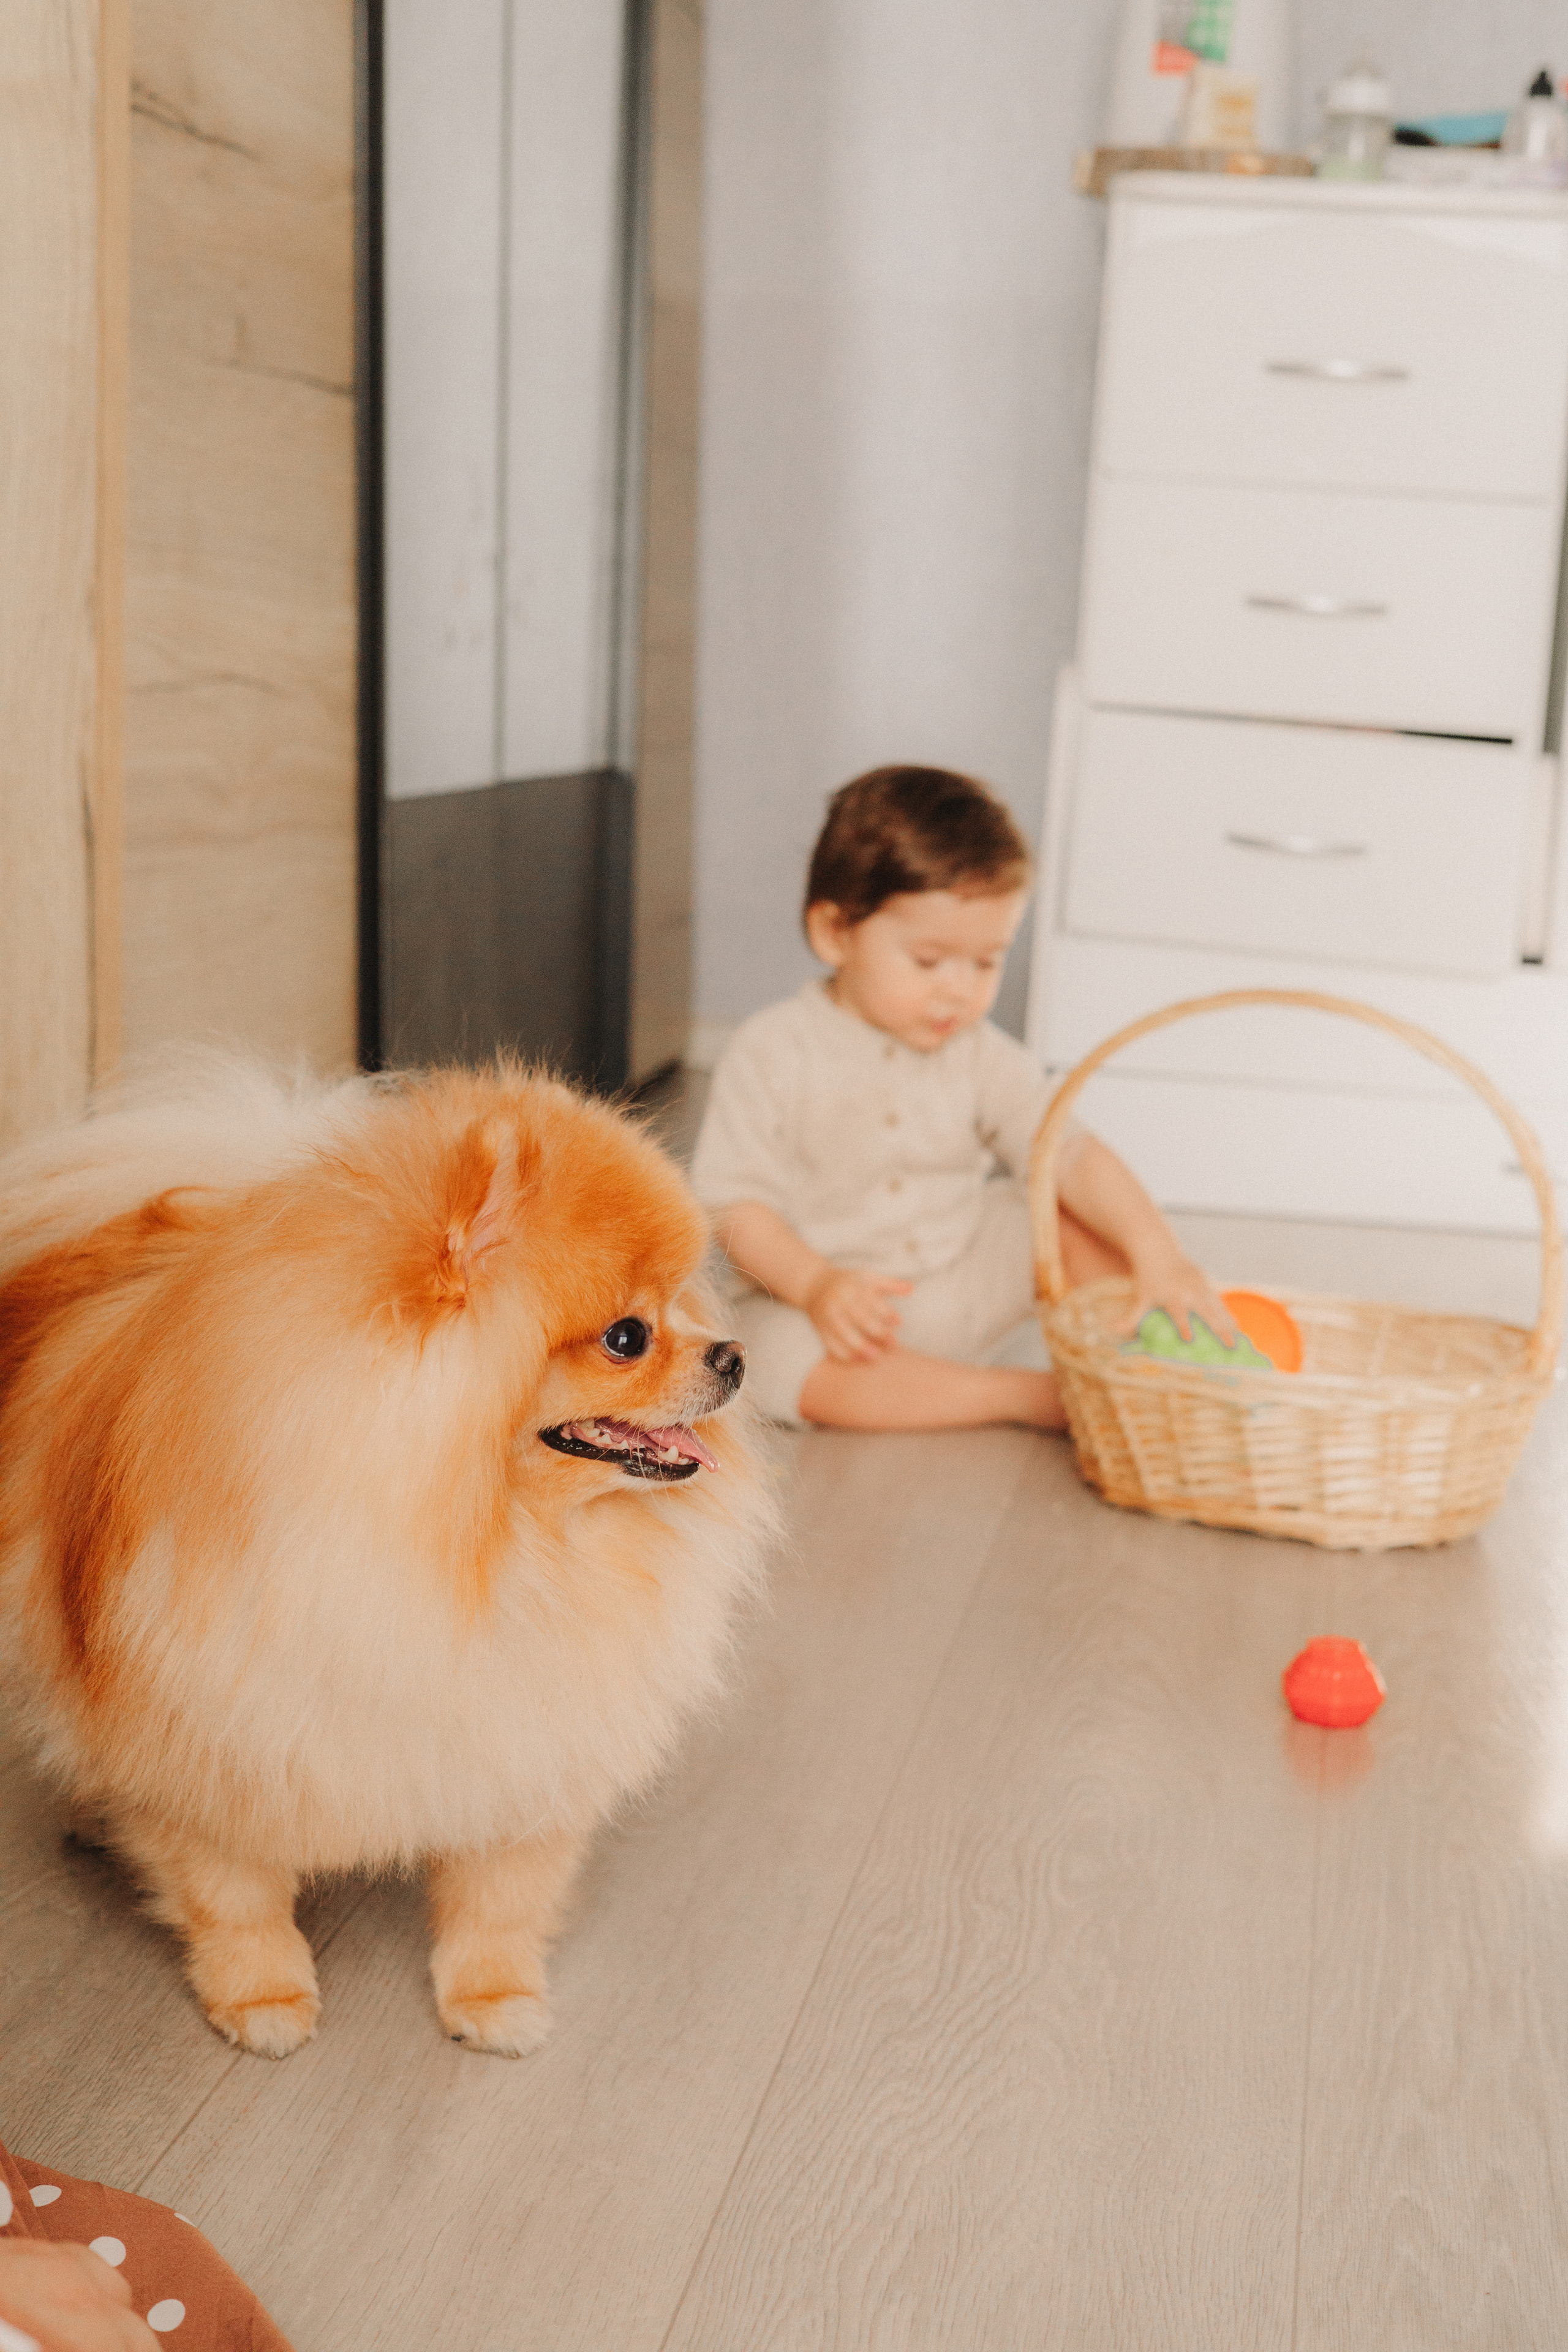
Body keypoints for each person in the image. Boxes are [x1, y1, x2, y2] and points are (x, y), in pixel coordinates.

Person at [691, 764, 1234, 1431]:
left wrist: (1160, 1255)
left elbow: (1069, 1153)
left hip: (961, 1281)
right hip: (833, 1315)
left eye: (986, 962)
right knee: (765, 1350)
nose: (959, 990)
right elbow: (736, 1209)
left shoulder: (980, 1052)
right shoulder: (771, 1049)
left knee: (1052, 1213)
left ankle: (1168, 1364)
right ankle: (1024, 1397)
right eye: (928, 961)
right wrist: (818, 1285)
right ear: (836, 933)